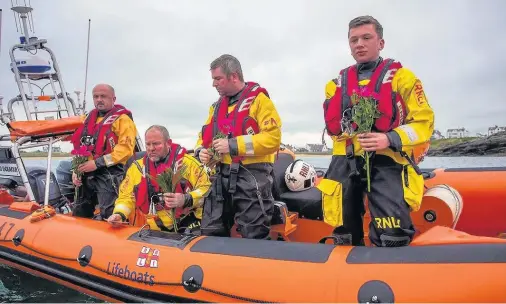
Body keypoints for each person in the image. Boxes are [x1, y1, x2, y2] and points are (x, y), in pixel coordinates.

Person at [320, 16, 435, 247]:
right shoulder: (336, 84)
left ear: (380, 43)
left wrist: (389, 138)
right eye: (354, 40)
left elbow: (424, 123)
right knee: (344, 233)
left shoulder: (403, 78)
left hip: (387, 160)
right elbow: (333, 126)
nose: (359, 44)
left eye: (366, 38)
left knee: (392, 234)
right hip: (345, 161)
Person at [195, 54, 282, 239]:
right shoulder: (216, 107)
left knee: (254, 232)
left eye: (218, 79)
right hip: (221, 176)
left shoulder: (259, 100)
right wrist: (202, 151)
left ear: (233, 76)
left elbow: (273, 138)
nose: (214, 84)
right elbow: (205, 135)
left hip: (252, 175)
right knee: (211, 229)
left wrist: (233, 145)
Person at [107, 125, 211, 233]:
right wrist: (119, 214)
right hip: (155, 226)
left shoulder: (188, 164)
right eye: (148, 144)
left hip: (189, 222)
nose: (151, 148)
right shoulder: (136, 168)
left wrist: (185, 199)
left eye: (156, 144)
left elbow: (207, 191)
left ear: (168, 143)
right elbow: (126, 197)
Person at [71, 84, 138, 220]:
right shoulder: (88, 119)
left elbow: (125, 149)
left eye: (103, 96)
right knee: (80, 210)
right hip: (87, 171)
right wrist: (76, 171)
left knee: (109, 212)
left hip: (111, 172)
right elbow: (81, 145)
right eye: (96, 97)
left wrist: (98, 163)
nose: (99, 100)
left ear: (113, 99)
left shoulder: (123, 120)